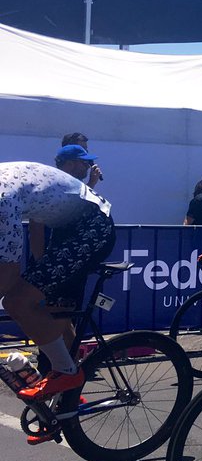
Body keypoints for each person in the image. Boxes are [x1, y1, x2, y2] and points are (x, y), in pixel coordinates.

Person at [0, 162, 115, 401]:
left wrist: (37, 280)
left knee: (16, 302)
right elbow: (35, 229)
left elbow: (7, 279)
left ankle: (67, 373)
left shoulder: (3, 200)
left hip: (93, 228)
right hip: (68, 227)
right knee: (54, 312)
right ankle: (68, 400)